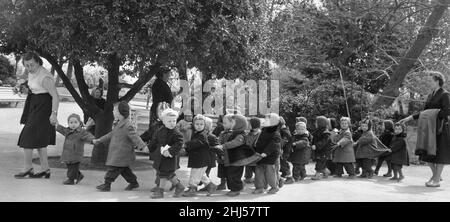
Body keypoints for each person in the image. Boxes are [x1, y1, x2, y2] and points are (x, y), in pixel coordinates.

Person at [398, 71, 450, 187]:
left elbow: (447, 111)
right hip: (429, 128)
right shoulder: (430, 95)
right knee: (427, 154)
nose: (428, 82)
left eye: (430, 80)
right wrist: (409, 118)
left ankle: (436, 180)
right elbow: (424, 112)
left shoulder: (445, 94)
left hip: (441, 128)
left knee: (440, 155)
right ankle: (436, 175)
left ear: (437, 81)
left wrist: (433, 114)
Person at [15, 51, 59, 179]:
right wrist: (25, 89)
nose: (29, 68)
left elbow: (55, 96)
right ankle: (45, 169)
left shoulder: (45, 77)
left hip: (44, 107)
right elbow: (35, 88)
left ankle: (28, 168)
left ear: (38, 62)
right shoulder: (31, 72)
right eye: (27, 65)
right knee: (39, 139)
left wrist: (54, 114)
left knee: (26, 137)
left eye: (32, 65)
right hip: (34, 104)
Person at [93, 101, 147, 192]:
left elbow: (135, 137)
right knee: (124, 170)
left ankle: (107, 184)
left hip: (122, 153)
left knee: (113, 169)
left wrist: (142, 146)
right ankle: (133, 182)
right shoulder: (119, 123)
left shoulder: (127, 125)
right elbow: (111, 134)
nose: (113, 112)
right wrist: (99, 140)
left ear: (120, 112)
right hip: (117, 152)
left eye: (114, 110)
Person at [216, 114, 260, 197]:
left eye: (232, 122)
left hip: (238, 159)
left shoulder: (241, 135)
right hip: (233, 158)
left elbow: (235, 143)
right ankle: (238, 186)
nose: (231, 125)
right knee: (231, 174)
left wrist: (223, 146)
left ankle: (236, 189)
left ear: (239, 124)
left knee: (234, 174)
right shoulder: (233, 133)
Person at [147, 108, 186, 198]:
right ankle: (179, 187)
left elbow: (179, 143)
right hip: (160, 157)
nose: (172, 123)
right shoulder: (160, 130)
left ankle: (160, 192)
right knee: (169, 174)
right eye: (169, 121)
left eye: (174, 121)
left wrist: (170, 151)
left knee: (163, 174)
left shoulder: (177, 133)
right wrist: (149, 148)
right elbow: (155, 140)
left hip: (170, 157)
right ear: (163, 121)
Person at [55, 114, 95, 185]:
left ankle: (71, 180)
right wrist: (56, 125)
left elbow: (88, 136)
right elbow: (62, 129)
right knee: (70, 167)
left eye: (75, 122)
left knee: (73, 167)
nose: (73, 124)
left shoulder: (81, 132)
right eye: (71, 122)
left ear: (79, 123)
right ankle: (79, 175)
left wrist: (92, 140)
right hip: (67, 154)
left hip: (76, 154)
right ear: (68, 123)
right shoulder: (67, 131)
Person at [183, 114, 217, 197]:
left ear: (204, 125)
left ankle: (192, 189)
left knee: (194, 175)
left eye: (201, 124)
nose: (199, 126)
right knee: (201, 175)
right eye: (197, 124)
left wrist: (186, 144)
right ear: (193, 125)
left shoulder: (203, 134)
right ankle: (211, 186)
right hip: (197, 158)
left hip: (201, 159)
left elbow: (198, 143)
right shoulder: (196, 133)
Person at [253, 113, 282, 194]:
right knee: (258, 171)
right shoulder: (264, 130)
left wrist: (266, 152)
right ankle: (260, 187)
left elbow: (274, 144)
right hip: (260, 154)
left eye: (266, 119)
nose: (264, 121)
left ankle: (274, 187)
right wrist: (256, 149)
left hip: (270, 155)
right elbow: (259, 141)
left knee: (270, 172)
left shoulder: (275, 133)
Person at [311, 116, 335, 180]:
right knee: (322, 163)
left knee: (319, 163)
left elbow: (324, 141)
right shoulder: (317, 131)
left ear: (320, 123)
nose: (315, 124)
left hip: (324, 151)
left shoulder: (325, 133)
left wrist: (316, 145)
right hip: (319, 150)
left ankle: (318, 175)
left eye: (316, 122)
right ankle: (326, 172)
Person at [215, 114, 234, 191]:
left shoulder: (234, 133)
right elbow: (218, 142)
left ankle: (233, 184)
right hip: (222, 155)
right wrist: (220, 152)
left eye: (225, 123)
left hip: (230, 156)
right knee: (221, 170)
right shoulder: (222, 133)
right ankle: (222, 184)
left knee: (230, 171)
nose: (223, 124)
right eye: (223, 123)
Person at [244, 117, 262, 184]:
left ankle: (259, 178)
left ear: (254, 124)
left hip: (256, 153)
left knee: (256, 167)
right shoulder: (249, 133)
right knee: (248, 166)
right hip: (249, 153)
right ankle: (248, 178)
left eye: (249, 123)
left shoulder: (260, 133)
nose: (248, 125)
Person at [279, 117, 293, 184]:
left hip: (285, 150)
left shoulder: (285, 131)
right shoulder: (284, 130)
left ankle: (289, 177)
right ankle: (284, 174)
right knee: (282, 162)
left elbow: (284, 141)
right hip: (284, 150)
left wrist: (280, 148)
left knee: (284, 162)